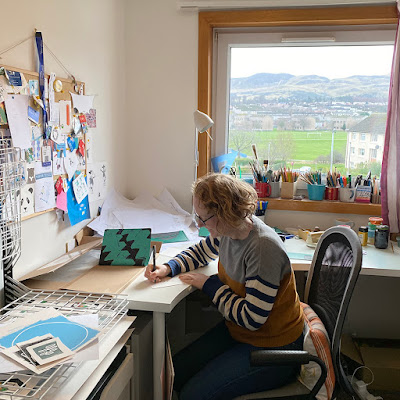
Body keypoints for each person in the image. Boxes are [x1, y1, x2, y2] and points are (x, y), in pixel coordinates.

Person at [145, 173, 304, 400]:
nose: (199, 224)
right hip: (241, 333)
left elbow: (252, 318)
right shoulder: (229, 231)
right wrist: (168, 267)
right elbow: (201, 252)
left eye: (204, 218)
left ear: (224, 213)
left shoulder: (262, 249)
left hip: (273, 346)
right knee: (176, 373)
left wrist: (210, 285)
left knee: (193, 395)